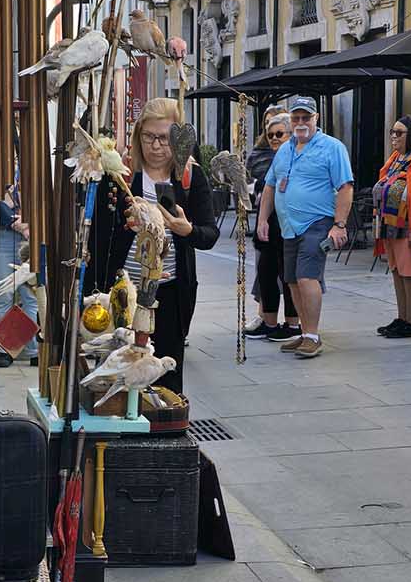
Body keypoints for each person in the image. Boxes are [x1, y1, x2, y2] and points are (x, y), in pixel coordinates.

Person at [91, 97, 219, 393]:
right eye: (148, 137)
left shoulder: (189, 176)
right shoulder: (121, 176)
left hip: (172, 290)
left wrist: (185, 230)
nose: (156, 146)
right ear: (138, 137)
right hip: (124, 290)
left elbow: (209, 234)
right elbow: (99, 236)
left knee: (166, 367)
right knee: (121, 364)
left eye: (164, 138)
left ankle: (167, 425)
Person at [257, 95, 354, 359]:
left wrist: (339, 225)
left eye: (306, 117)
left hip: (317, 222)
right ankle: (302, 331)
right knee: (291, 280)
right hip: (289, 226)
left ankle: (312, 335)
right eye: (296, 118)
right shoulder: (286, 149)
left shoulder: (332, 147)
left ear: (316, 119)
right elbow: (270, 185)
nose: (301, 122)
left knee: (306, 277)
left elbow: (345, 188)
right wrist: (263, 219)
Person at [372, 114, 411, 338]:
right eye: (392, 132)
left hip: (410, 225)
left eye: (399, 133)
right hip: (391, 225)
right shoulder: (397, 157)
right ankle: (402, 317)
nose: (393, 136)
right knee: (398, 271)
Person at [245, 113, 300, 341]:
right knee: (266, 272)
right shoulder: (270, 158)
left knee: (288, 275)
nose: (274, 139)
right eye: (270, 135)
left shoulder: (298, 156)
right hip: (268, 221)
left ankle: (292, 323)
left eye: (279, 134)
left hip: (289, 222)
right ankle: (269, 322)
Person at [0, 183, 39, 369]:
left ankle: (35, 351)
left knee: (32, 296)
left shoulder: (34, 158)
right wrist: (11, 220)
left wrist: (29, 222)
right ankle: (6, 349)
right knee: (3, 294)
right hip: (0, 234)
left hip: (32, 230)